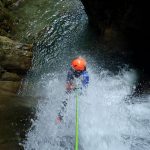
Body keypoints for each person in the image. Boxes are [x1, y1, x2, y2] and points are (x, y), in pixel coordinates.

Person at [56, 56, 89, 123]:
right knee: (66, 96)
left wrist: (77, 87)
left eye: (73, 68)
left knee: (81, 94)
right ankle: (60, 116)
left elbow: (84, 87)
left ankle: (80, 116)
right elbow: (67, 85)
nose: (72, 68)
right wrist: (71, 87)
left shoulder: (85, 75)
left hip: (81, 87)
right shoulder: (71, 71)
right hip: (73, 83)